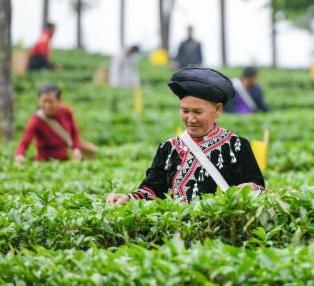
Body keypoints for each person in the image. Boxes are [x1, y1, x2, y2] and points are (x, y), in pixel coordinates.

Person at [106, 67, 265, 205]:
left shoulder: (237, 146)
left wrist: (250, 188)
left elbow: (259, 189)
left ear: (217, 109)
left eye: (197, 112)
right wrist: (128, 198)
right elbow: (151, 190)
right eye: (185, 111)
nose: (190, 118)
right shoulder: (167, 148)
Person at [15, 83, 82, 162]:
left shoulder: (66, 112)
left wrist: (76, 149)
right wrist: (20, 155)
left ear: (59, 100)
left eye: (51, 102)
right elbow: (24, 142)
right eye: (44, 101)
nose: (47, 106)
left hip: (66, 160)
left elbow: (75, 133)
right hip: (44, 162)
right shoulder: (36, 120)